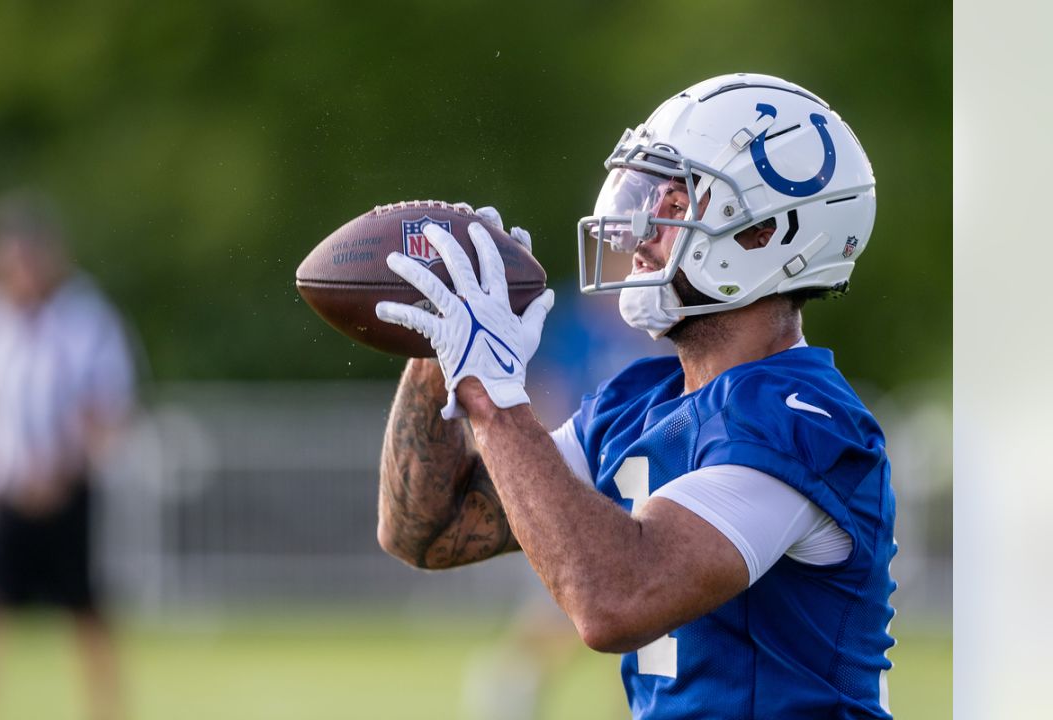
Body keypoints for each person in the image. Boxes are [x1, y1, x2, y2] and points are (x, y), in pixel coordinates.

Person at [374, 73, 895, 719]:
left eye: (676, 204)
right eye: (645, 194)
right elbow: (428, 532)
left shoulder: (800, 421)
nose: (639, 229)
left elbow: (615, 603)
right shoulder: (637, 402)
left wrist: (492, 397)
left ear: (765, 233)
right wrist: (444, 341)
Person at [0, 189, 137, 720]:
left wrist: (66, 469)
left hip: (65, 491)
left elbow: (108, 408)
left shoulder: (85, 319)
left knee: (86, 611)